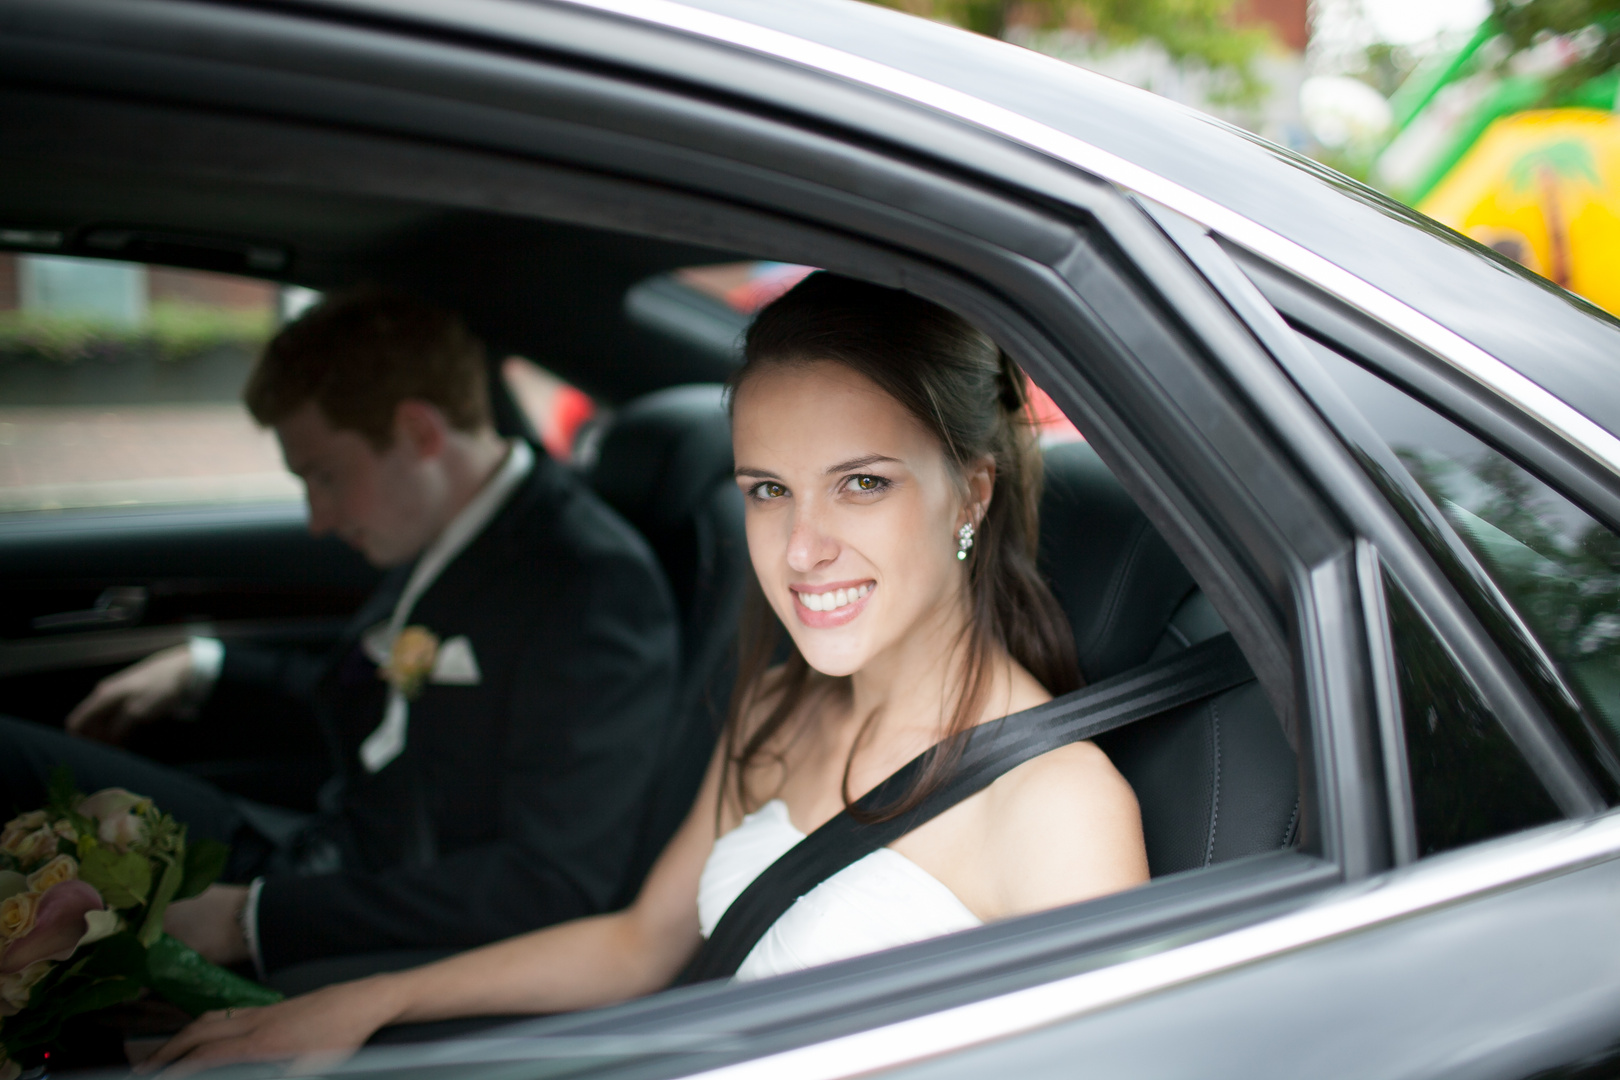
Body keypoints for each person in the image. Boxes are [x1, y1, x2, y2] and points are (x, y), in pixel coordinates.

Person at [148, 273, 1148, 1070]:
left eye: (862, 485)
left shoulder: (1056, 807)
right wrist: (364, 1001)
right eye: (767, 490)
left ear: (969, 493)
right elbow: (639, 945)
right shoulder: (785, 702)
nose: (800, 549)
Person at [0, 291, 680, 979]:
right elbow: (364, 691)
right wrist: (205, 668)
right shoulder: (443, 530)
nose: (317, 519)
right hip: (313, 846)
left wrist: (251, 920)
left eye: (325, 476)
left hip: (366, 916)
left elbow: (548, 883)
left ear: (418, 433)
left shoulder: (588, 588)